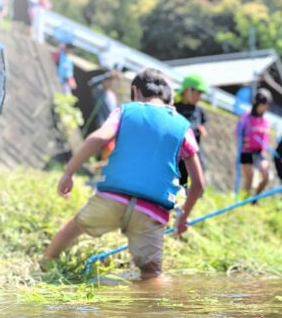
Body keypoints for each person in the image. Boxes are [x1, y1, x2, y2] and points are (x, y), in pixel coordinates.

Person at [41, 68, 205, 280]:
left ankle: (43, 268)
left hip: (112, 199)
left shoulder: (125, 111)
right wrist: (183, 218)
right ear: (170, 98)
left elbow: (97, 138)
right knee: (152, 274)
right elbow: (199, 183)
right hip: (151, 211)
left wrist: (69, 172)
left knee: (73, 229)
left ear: (136, 91)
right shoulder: (183, 126)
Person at [236, 88, 273, 198]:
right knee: (250, 177)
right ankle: (245, 200)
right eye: (263, 105)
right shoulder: (246, 117)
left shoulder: (265, 120)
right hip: (246, 151)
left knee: (266, 176)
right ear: (257, 103)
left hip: (259, 153)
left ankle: (254, 199)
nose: (265, 108)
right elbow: (237, 132)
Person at [174, 74, 209, 186]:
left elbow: (203, 125)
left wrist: (202, 129)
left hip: (194, 151)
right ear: (188, 90)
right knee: (180, 180)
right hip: (179, 151)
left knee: (199, 178)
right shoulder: (175, 107)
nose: (199, 97)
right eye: (198, 93)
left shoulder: (199, 111)